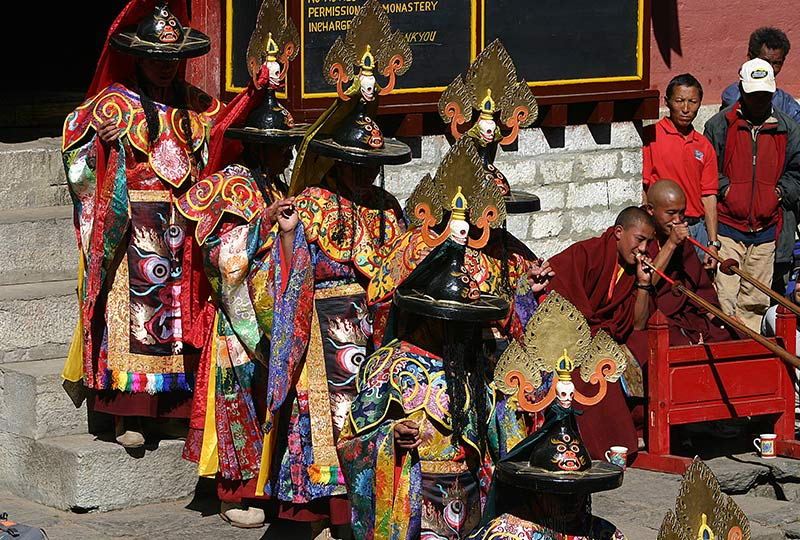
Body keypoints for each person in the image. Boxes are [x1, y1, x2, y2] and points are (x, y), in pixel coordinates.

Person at [241, 2, 414, 536]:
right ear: (339, 159)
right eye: (356, 165)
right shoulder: (313, 202)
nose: (365, 177)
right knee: (321, 424)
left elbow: (404, 269)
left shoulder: (391, 211)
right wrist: (290, 235)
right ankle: (313, 515)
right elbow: (282, 273)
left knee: (366, 418)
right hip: (320, 329)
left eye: (373, 167)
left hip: (373, 332)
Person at [337, 148, 538, 538]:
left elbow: (508, 442)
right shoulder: (389, 367)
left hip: (471, 499)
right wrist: (390, 437)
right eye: (452, 322)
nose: (460, 331)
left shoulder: (476, 368)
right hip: (416, 501)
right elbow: (351, 441)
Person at [61, 0, 223, 448]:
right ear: (139, 57)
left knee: (175, 314)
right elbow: (76, 143)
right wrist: (100, 144)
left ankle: (170, 410)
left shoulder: (197, 106)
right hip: (131, 221)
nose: (167, 68)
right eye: (158, 59)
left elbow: (225, 135)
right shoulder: (113, 104)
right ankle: (124, 413)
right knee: (135, 315)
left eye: (173, 60)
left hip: (180, 224)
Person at [175, 2, 305, 528]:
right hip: (238, 315)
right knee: (238, 394)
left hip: (274, 306)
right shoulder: (227, 186)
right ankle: (233, 492)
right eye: (273, 148)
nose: (282, 157)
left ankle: (269, 483)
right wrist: (259, 228)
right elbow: (213, 252)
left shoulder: (280, 187)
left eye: (285, 148)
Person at [471, 293, 628, 540]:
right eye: (559, 494)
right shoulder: (508, 535)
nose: (570, 502)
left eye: (574, 492)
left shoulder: (605, 534)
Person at [544, 206, 655, 459]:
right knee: (589, 371)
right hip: (568, 337)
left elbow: (636, 324)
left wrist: (643, 283)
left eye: (648, 243)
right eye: (639, 240)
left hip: (599, 341)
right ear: (619, 232)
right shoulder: (587, 253)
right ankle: (598, 447)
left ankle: (616, 444)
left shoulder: (629, 272)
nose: (644, 249)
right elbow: (556, 289)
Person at [704, 58, 800, 332]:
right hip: (727, 229)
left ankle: (747, 357)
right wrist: (727, 190)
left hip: (767, 232)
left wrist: (778, 193)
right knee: (724, 299)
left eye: (764, 95)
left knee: (756, 302)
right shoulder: (719, 125)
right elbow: (709, 169)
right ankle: (725, 350)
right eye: (754, 95)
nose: (759, 101)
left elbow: (796, 172)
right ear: (743, 92)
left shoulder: (787, 128)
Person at [642, 73, 720, 268]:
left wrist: (712, 243)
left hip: (696, 228)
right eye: (680, 101)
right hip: (664, 228)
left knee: (699, 287)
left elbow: (709, 196)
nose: (686, 109)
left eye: (692, 102)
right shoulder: (651, 136)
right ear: (667, 102)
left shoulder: (703, 145)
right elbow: (644, 188)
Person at [720, 27, 800, 124]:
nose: (769, 68)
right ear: (750, 57)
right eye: (765, 62)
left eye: (776, 63)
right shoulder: (733, 97)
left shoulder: (787, 106)